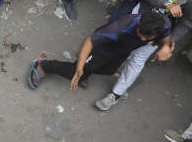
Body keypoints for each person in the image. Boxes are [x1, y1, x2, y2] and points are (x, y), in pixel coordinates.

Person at [28, 10, 172, 97]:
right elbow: (89, 41)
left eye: (147, 38)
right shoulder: (121, 27)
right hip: (102, 48)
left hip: (122, 51)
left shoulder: (162, 24)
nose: (142, 39)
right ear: (139, 23)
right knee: (79, 72)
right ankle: (43, 65)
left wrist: (165, 47)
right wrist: (79, 67)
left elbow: (166, 38)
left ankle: (87, 72)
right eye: (140, 34)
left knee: (109, 70)